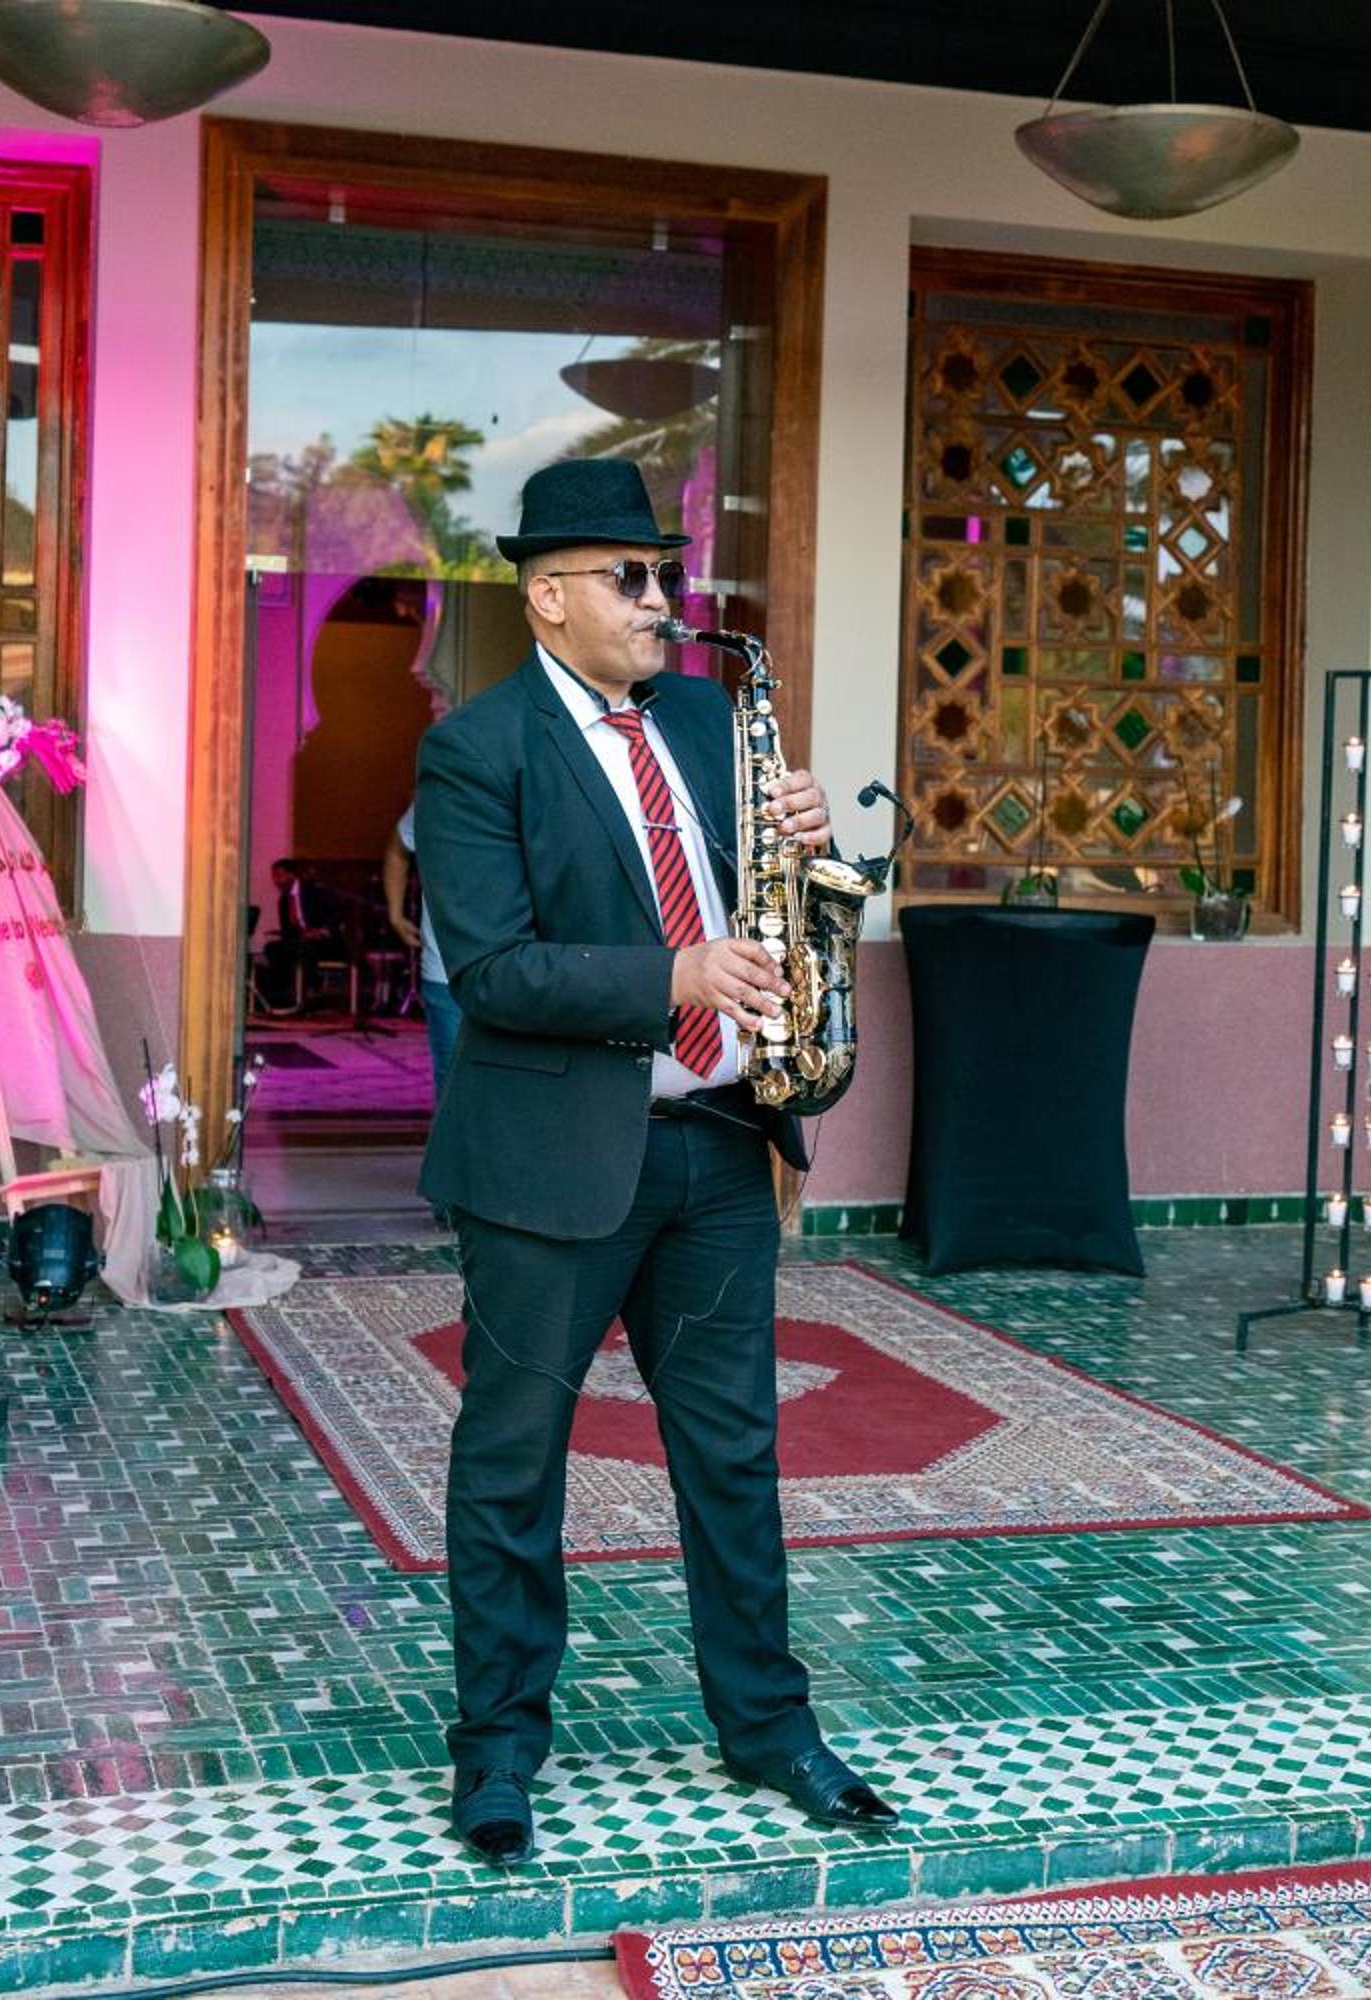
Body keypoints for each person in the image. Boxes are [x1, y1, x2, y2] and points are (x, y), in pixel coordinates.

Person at [415, 459, 898, 1866]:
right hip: (551, 1165)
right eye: (627, 578)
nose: (658, 600)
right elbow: (494, 969)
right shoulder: (476, 749)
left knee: (734, 1456)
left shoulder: (707, 715)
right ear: (547, 596)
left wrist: (811, 851)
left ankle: (769, 1725)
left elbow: (771, 907)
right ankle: (499, 1749)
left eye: (665, 574)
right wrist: (673, 972)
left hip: (720, 1147)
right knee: (513, 1463)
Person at [382, 801, 460, 1084]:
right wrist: (395, 912)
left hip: (514, 969)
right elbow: (398, 847)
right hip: (446, 971)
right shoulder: (438, 796)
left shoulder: (526, 794)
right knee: (451, 1078)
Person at [255, 857, 339, 1015]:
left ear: (291, 875)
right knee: (273, 948)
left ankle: (311, 993)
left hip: (324, 940)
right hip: (301, 940)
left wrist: (321, 931)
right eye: (274, 877)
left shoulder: (314, 891)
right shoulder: (283, 901)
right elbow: (288, 930)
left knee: (306, 947)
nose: (276, 881)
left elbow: (335, 916)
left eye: (279, 875)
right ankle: (282, 995)